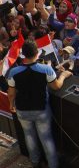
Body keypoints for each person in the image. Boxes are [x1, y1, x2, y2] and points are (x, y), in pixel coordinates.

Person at [7, 40, 73, 168]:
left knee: (29, 136)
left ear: (23, 54)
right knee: (46, 139)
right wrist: (64, 75)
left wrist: (11, 104)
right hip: (41, 110)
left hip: (22, 109)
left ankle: (35, 162)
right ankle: (53, 165)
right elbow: (56, 86)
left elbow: (11, 92)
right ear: (37, 53)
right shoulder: (46, 69)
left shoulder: (13, 72)